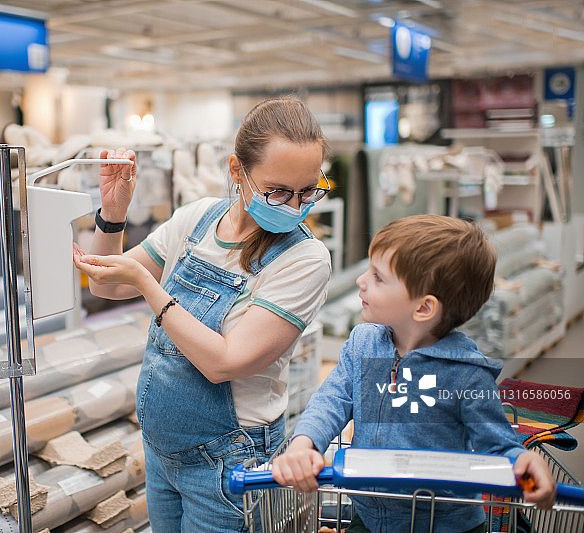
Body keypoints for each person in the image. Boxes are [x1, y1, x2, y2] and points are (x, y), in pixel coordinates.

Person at [73, 96, 333, 532]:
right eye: (277, 191)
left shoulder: (305, 260)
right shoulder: (197, 220)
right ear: (237, 171)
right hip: (163, 452)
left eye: (308, 191)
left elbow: (224, 362)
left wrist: (149, 287)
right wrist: (113, 214)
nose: (293, 206)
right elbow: (106, 282)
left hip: (229, 465)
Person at [271, 214, 557, 533]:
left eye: (378, 277)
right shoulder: (363, 343)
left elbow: (499, 446)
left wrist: (524, 464)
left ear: (423, 308)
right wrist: (305, 444)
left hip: (447, 525)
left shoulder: (465, 374)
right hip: (368, 518)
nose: (360, 281)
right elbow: (332, 400)